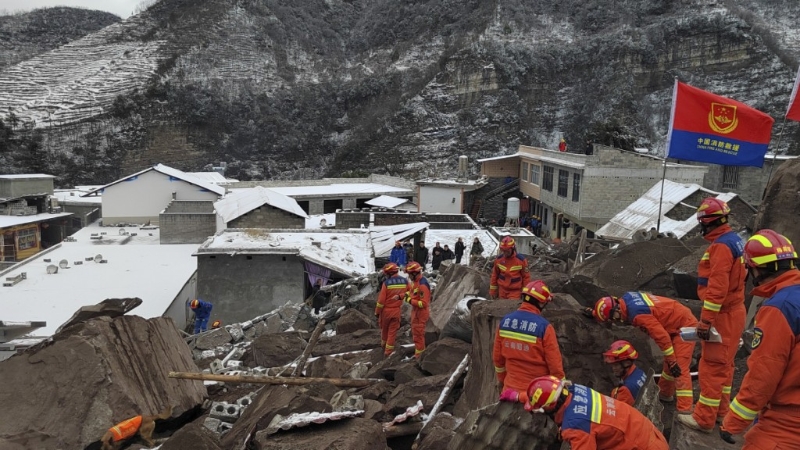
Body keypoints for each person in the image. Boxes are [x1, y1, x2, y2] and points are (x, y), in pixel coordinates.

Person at [719, 230, 800, 447]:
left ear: (755, 268)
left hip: (789, 423)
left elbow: (763, 374)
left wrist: (733, 422)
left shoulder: (780, 308)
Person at [677, 198, 746, 432]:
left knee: (712, 367)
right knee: (725, 367)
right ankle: (720, 413)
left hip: (723, 315)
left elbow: (717, 288)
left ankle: (704, 419)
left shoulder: (721, 247)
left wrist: (706, 321)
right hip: (735, 312)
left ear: (707, 222)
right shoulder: (734, 241)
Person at [588, 292, 696, 413]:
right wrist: (595, 314)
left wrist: (672, 360)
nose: (615, 321)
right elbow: (610, 309)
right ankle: (664, 394)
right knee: (669, 365)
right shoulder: (626, 299)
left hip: (684, 325)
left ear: (616, 310)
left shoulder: (638, 315)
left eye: (613, 318)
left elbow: (662, 337)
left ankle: (685, 410)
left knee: (679, 367)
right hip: (675, 318)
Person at [504, 376, 668, 450]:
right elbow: (546, 394)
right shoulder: (575, 390)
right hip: (645, 432)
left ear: (550, 408)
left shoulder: (575, 427)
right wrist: (519, 396)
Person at [494, 280, 564, 400]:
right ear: (541, 303)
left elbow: (497, 359)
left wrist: (502, 380)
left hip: (509, 391)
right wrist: (561, 388)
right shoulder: (544, 327)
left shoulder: (505, 322)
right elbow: (555, 366)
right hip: (536, 394)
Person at [374, 263, 409, 357]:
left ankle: (384, 347)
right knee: (392, 331)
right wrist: (401, 297)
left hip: (386, 311)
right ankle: (388, 352)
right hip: (396, 310)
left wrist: (377, 312)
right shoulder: (405, 281)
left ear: (389, 273)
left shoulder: (386, 283)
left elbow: (381, 301)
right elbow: (410, 292)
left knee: (384, 329)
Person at [603, 340, 647, 406]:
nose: (613, 368)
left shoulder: (625, 390)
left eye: (616, 365)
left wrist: (614, 394)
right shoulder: (640, 373)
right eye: (612, 365)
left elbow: (617, 413)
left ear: (627, 363)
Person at [404, 262, 431, 359]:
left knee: (419, 336)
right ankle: (418, 355)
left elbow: (423, 303)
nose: (409, 276)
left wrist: (410, 300)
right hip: (416, 313)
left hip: (420, 314)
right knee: (416, 336)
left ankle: (419, 357)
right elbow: (412, 293)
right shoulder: (415, 282)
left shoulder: (422, 285)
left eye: (410, 274)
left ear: (415, 273)